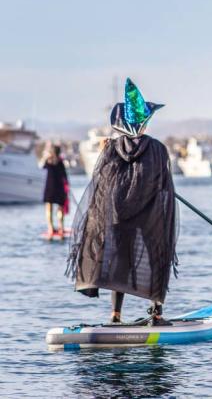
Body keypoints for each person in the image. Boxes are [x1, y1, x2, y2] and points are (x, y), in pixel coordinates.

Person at [66, 78, 178, 326]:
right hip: (150, 218)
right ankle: (156, 315)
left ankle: (115, 316)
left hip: (117, 216)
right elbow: (163, 185)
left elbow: (103, 184)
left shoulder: (111, 148)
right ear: (144, 122)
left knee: (120, 261)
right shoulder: (158, 149)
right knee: (157, 257)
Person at [41, 144, 69, 240]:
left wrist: (46, 156)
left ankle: (50, 229)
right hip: (59, 188)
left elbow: (42, 166)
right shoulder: (61, 163)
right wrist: (67, 188)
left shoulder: (48, 161)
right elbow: (65, 176)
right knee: (60, 208)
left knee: (49, 208)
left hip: (49, 188)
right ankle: (61, 228)